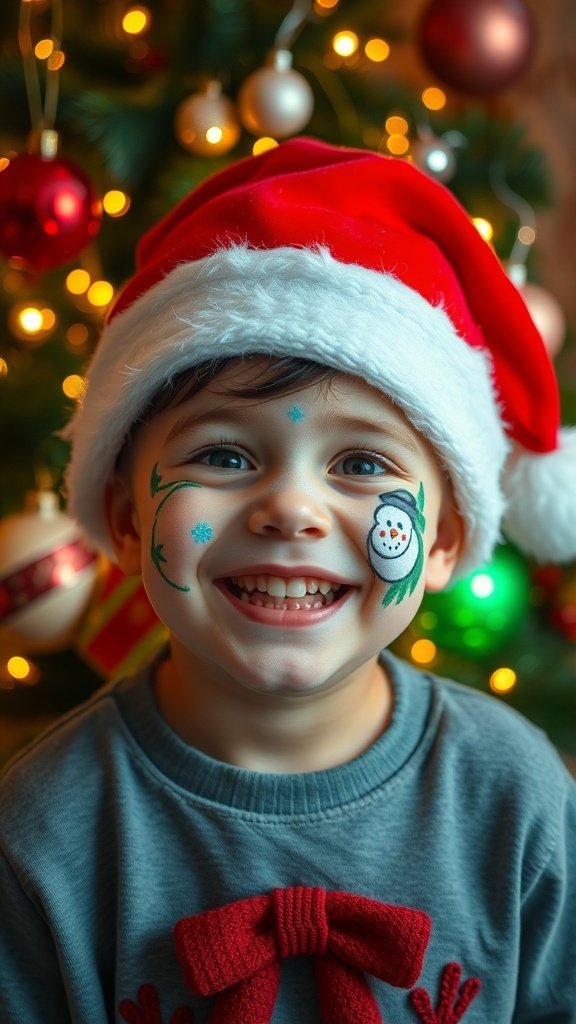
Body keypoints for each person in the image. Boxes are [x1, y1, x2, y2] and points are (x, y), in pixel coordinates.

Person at [1, 138, 575, 1024]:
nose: (292, 511)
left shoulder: (520, 802)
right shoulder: (42, 831)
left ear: (447, 539)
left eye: (359, 462)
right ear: (123, 519)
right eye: (225, 454)